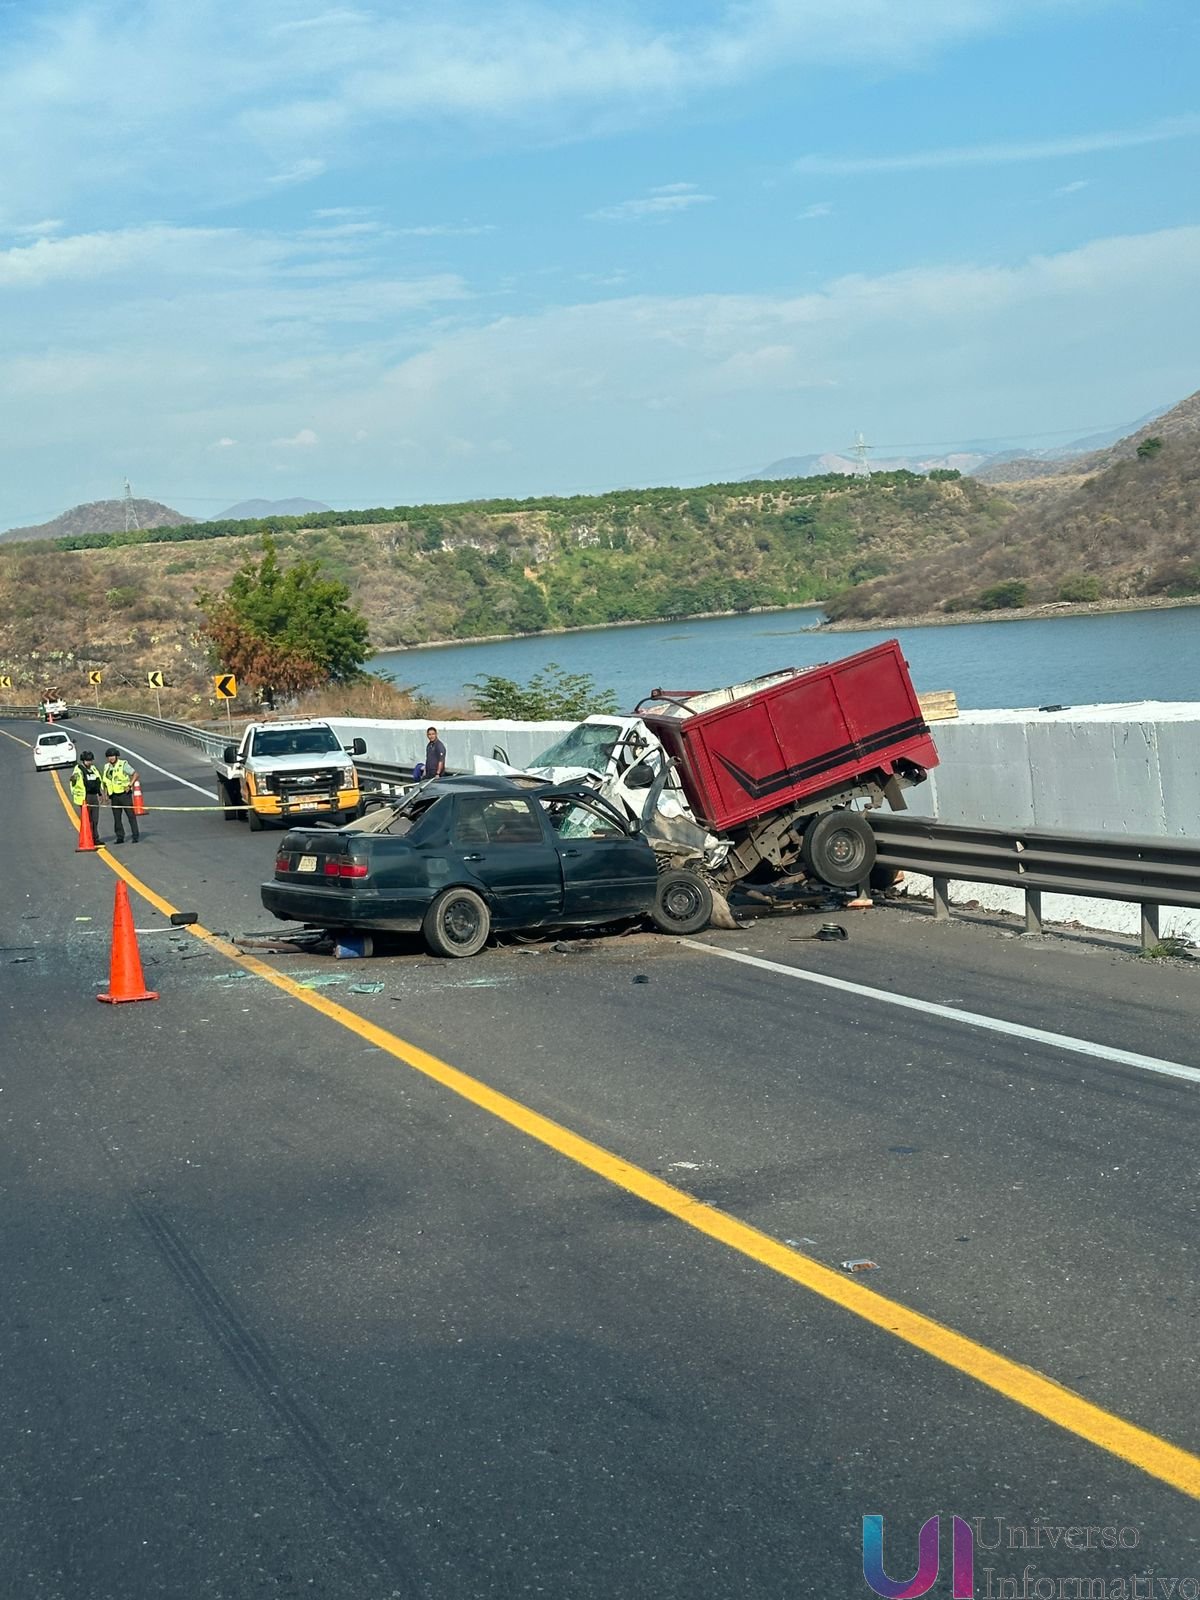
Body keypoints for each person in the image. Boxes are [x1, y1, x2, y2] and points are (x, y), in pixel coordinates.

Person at [102, 747, 140, 843]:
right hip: (114, 795)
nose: (111, 758)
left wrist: (130, 785)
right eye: (109, 756)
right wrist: (105, 795)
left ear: (116, 756)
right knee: (117, 818)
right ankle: (120, 837)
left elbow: (135, 774)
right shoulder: (106, 767)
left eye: (113, 756)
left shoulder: (123, 764)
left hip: (124, 794)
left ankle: (135, 835)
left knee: (130, 815)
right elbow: (106, 782)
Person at [69, 751, 105, 842]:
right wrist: (73, 778)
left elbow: (98, 781)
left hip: (94, 796)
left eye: (90, 760)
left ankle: (95, 838)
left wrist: (100, 794)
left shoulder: (93, 769)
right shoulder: (78, 770)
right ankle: (89, 839)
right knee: (87, 820)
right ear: (83, 761)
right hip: (85, 797)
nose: (89, 762)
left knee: (95, 819)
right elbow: (73, 780)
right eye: (87, 760)